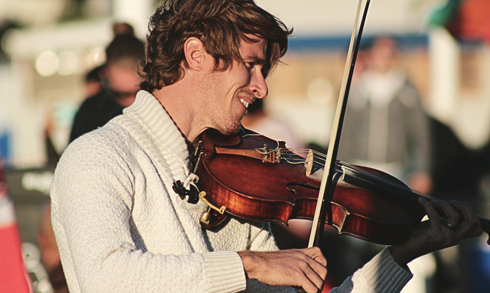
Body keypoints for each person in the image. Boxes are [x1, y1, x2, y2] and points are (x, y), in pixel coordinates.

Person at [50, 1, 482, 292]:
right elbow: (104, 276)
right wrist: (250, 264)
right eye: (251, 65)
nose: (261, 87)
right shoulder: (100, 156)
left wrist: (404, 253)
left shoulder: (237, 181)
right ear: (196, 55)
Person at [339, 37, 433, 195]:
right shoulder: (357, 92)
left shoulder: (407, 93)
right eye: (380, 54)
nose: (385, 59)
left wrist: (422, 170)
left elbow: (420, 135)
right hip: (359, 167)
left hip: (397, 169)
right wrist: (339, 166)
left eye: (389, 55)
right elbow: (345, 133)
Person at [68, 24, 145, 143]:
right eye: (122, 94)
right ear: (104, 75)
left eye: (141, 91)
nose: (132, 102)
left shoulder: (164, 104)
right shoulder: (91, 112)